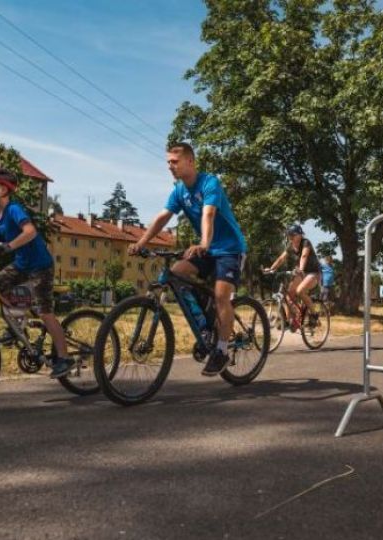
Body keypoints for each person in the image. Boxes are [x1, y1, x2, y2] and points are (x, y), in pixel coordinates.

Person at [129, 143, 248, 377]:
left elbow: (209, 214)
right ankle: (205, 325)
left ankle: (222, 351)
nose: (170, 166)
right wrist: (142, 242)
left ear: (190, 162)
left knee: (222, 296)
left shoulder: (209, 183)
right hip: (207, 248)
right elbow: (163, 217)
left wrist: (204, 243)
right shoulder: (178, 191)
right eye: (168, 162)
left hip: (229, 249)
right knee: (176, 273)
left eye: (175, 161)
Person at [0, 165, 73, 379]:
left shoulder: (14, 209)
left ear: (3, 189)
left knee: (45, 312)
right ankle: (18, 326)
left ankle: (64, 358)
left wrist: (7, 247)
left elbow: (30, 232)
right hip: (21, 264)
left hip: (40, 265)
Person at [264, 225, 321, 328]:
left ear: (299, 235)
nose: (290, 237)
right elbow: (281, 258)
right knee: (288, 295)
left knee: (300, 291)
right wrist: (272, 269)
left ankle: (314, 314)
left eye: (292, 235)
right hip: (302, 273)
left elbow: (304, 256)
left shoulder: (305, 242)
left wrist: (301, 269)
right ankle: (292, 321)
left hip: (313, 273)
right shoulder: (290, 246)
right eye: (289, 235)